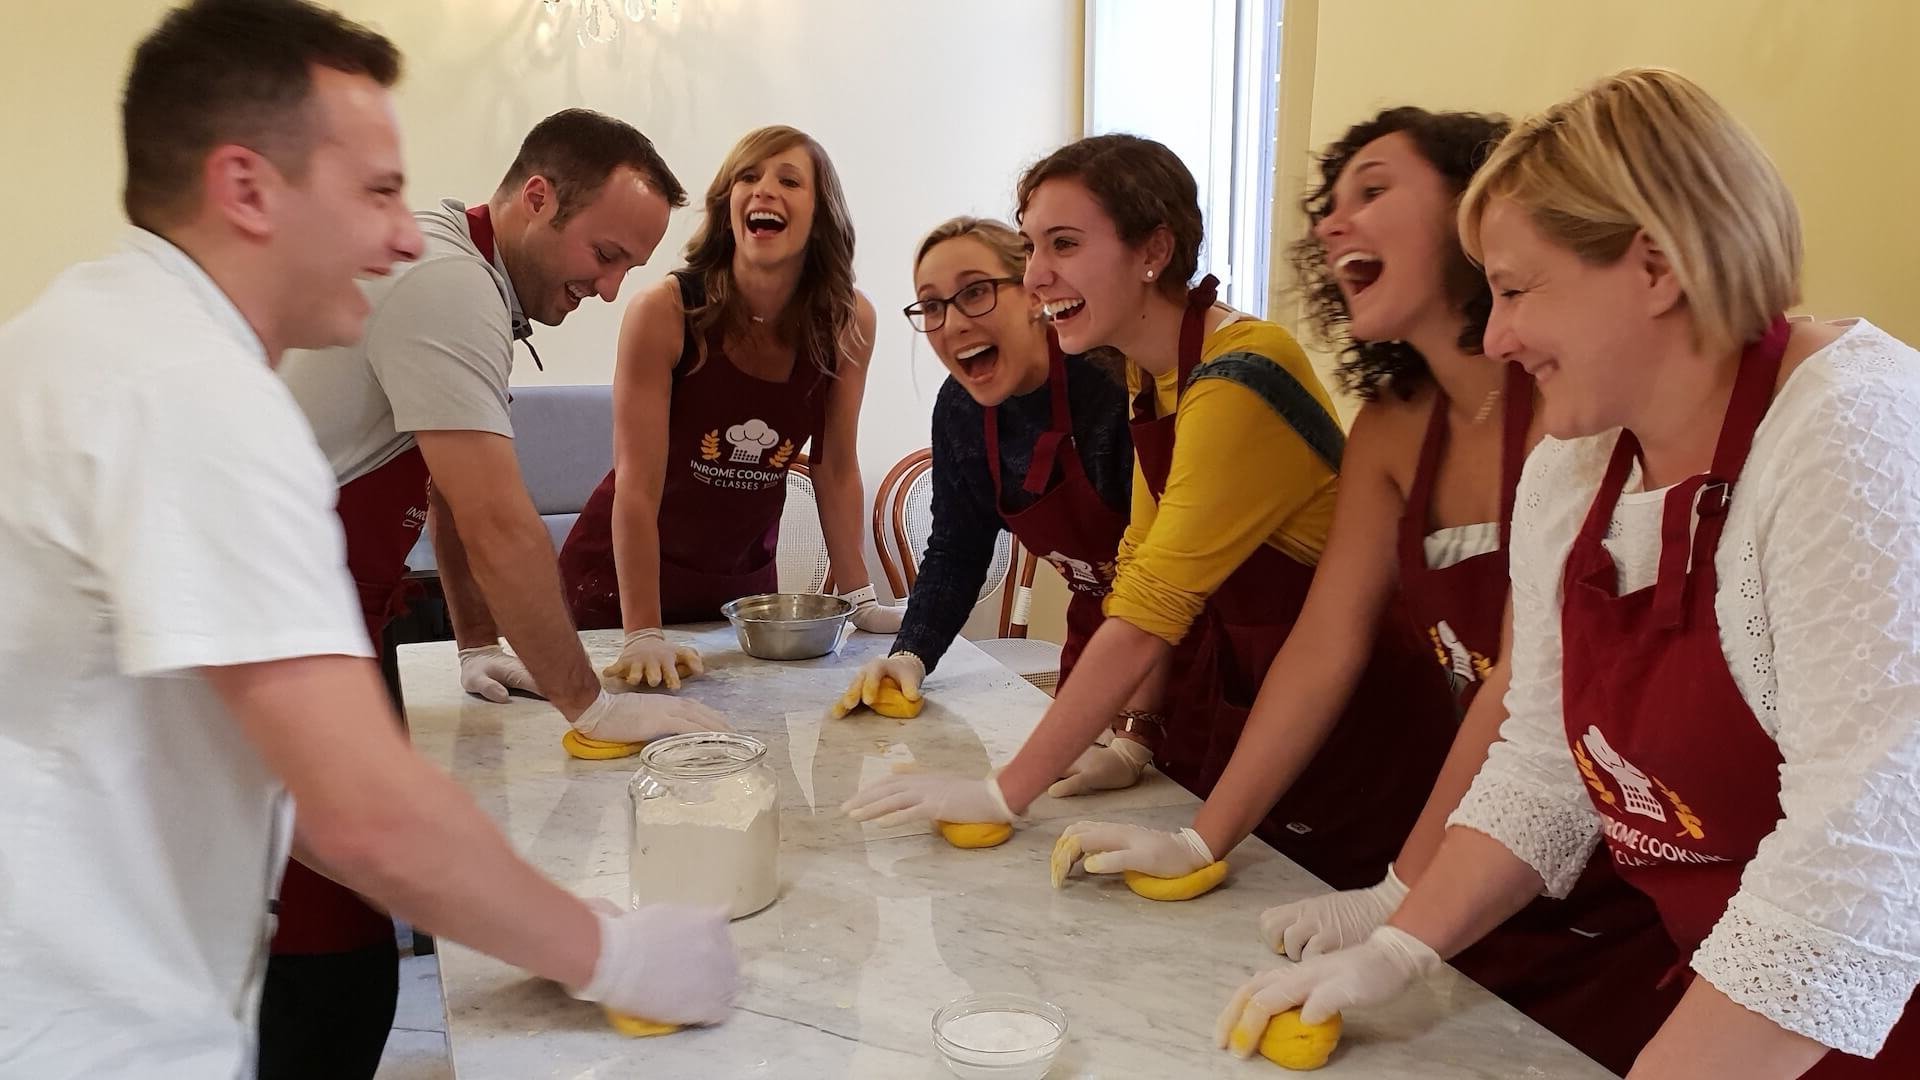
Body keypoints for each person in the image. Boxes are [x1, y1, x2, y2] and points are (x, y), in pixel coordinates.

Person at [0, 3, 735, 1076]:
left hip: (85, 945)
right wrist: (610, 952)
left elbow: (286, 774)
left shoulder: (100, 328)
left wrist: (506, 890)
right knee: (339, 989)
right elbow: (360, 817)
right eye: (375, 192)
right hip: (86, 1022)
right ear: (247, 189)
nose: (401, 236)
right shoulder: (193, 396)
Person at [1219, 69, 1920, 1078]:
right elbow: (1548, 757)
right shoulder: (1576, 465)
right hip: (1743, 1001)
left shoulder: (1854, 434)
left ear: (1655, 266)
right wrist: (1399, 946)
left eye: (1515, 289)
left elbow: (1857, 867)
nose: (1496, 335)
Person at [1055, 108, 1679, 1073]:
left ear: (1483, 214)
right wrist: (1205, 837)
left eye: (1375, 190)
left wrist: (1403, 894)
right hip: (1483, 846)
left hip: (1616, 867)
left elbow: (1527, 689)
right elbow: (1323, 644)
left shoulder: (1576, 411)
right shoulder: (1392, 428)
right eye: (1329, 204)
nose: (1332, 223)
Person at [844, 135, 1452, 893]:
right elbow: (1136, 563)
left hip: (1358, 723)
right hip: (1254, 692)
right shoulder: (1152, 375)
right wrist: (1135, 737)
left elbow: (1147, 612)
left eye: (1064, 244)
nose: (1037, 275)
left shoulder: (1238, 377)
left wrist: (1005, 793)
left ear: (1153, 251)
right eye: (1032, 247)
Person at [273, 109, 728, 1075]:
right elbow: (498, 519)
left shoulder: (461, 269)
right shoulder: (449, 283)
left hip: (332, 621)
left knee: (351, 925)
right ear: (537, 198)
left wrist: (480, 641)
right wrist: (591, 705)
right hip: (283, 630)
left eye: (629, 268)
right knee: (333, 961)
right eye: (605, 254)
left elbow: (441, 483)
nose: (611, 289)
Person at [558, 125, 894, 689]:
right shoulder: (664, 312)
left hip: (741, 589)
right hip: (622, 588)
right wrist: (643, 632)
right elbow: (636, 486)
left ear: (821, 215)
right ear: (727, 205)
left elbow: (835, 467)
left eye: (790, 181)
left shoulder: (848, 321)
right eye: (748, 177)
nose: (764, 190)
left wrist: (859, 599)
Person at [830, 217, 1159, 779]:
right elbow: (957, 550)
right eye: (932, 306)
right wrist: (911, 653)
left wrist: (1137, 732)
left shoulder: (1112, 384)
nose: (953, 322)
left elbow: (1168, 577)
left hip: (1198, 649)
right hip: (1097, 646)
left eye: (976, 292)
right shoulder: (960, 409)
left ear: (1033, 292)